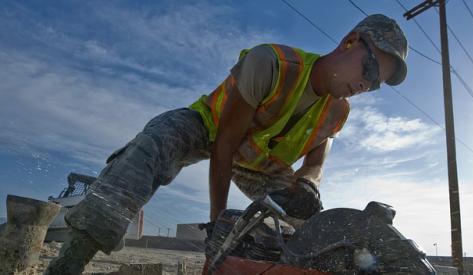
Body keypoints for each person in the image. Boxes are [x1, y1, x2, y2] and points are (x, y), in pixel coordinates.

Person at [45, 14, 408, 274]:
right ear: (349, 42)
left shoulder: (338, 112)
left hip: (261, 163)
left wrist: (308, 184)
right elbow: (225, 144)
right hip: (210, 129)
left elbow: (317, 161)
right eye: (370, 71)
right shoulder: (272, 63)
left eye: (376, 85)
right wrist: (217, 223)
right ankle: (71, 259)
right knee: (155, 143)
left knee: (310, 223)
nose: (367, 86)